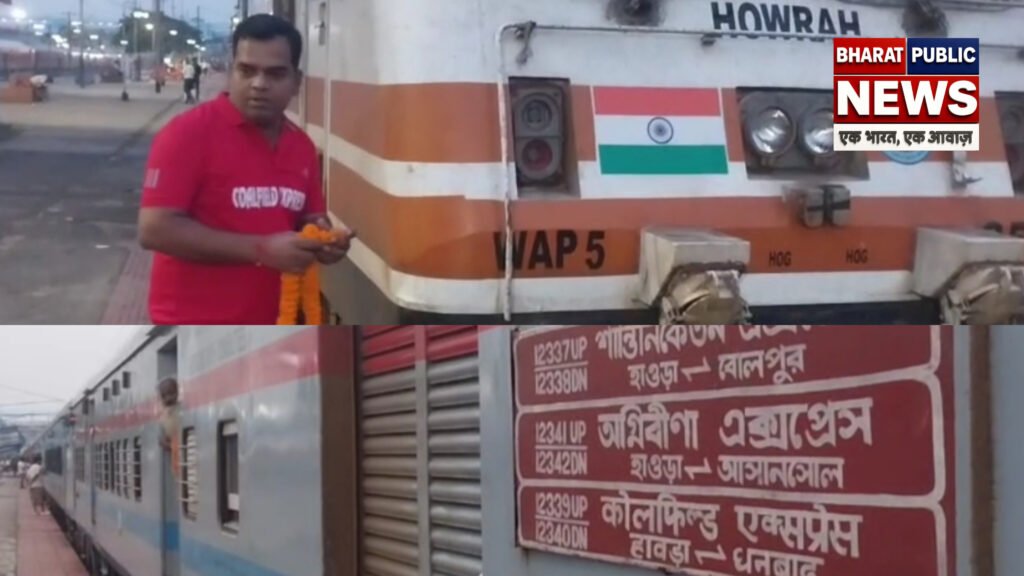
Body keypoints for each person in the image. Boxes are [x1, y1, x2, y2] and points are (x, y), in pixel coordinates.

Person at [138, 14, 354, 324]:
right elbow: (155, 230)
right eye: (247, 70)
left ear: (296, 82)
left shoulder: (301, 146)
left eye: (275, 74)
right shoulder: (187, 134)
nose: (259, 84)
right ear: (231, 72)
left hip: (275, 321)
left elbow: (309, 217)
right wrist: (261, 250)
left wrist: (325, 240)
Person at [158, 377, 181, 475]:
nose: (168, 398)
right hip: (177, 465)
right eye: (164, 395)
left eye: (171, 393)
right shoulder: (164, 416)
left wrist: (169, 445)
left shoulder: (182, 412)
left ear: (177, 392)